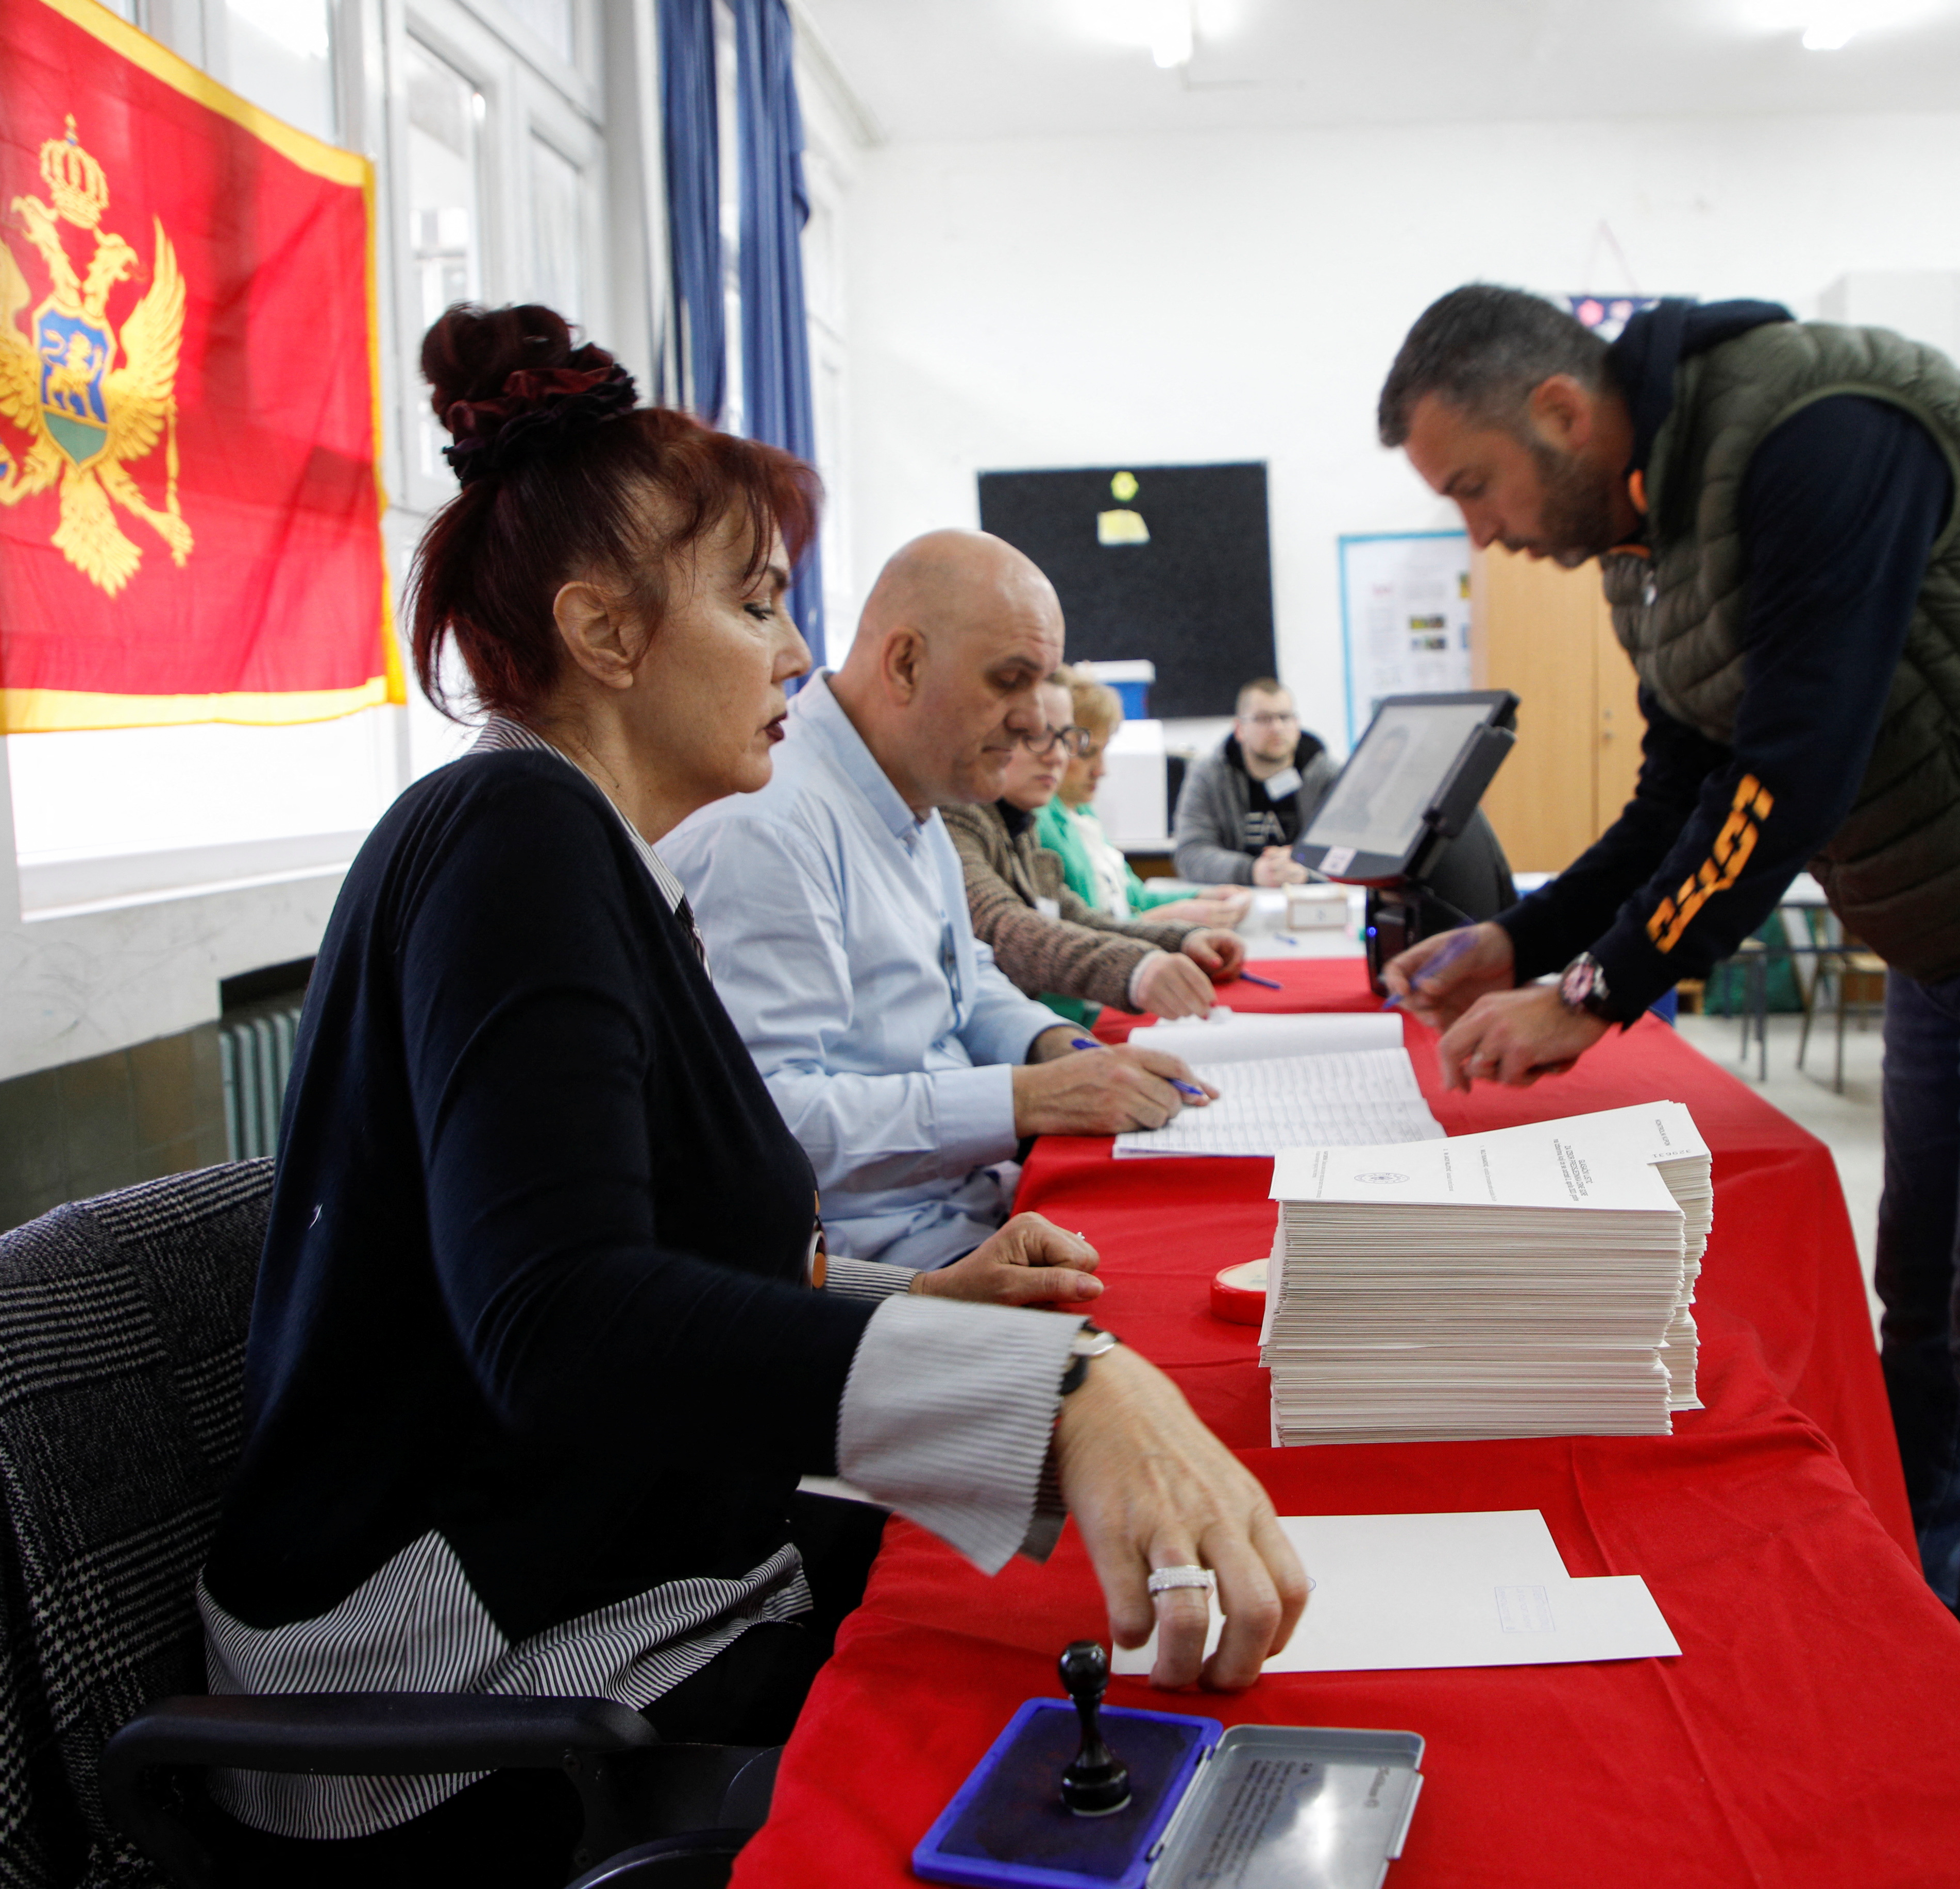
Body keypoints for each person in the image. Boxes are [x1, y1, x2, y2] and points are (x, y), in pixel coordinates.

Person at [199, 308, 1306, 1884]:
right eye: (758, 602)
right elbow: (562, 1319)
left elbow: (657, 1243)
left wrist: (923, 1298)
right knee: (1038, 1690)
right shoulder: (514, 833)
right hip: (452, 1688)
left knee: (1050, 1609)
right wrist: (1055, 1395)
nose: (798, 654)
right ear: (605, 634)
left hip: (606, 1559)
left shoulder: (590, 858)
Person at [1374, 285, 1960, 1733]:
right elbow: (1677, 795)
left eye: (1474, 485)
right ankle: (1927, 1641)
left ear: (1562, 413)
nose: (1481, 529)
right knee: (1925, 1317)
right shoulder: (1643, 535)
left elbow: (1794, 769)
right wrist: (1516, 938)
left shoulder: (1818, 430)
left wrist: (1592, 992)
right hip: (1951, 922)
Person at [665, 532, 1218, 1271]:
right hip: (883, 1262)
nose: (1033, 721)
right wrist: (1025, 1098)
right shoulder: (768, 827)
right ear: (905, 663)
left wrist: (1053, 1046)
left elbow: (966, 976)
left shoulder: (909, 787)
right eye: (1010, 680)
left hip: (970, 1207)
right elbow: (768, 1124)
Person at [946, 673, 1250, 1026]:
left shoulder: (1017, 823)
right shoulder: (959, 816)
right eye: (1037, 736)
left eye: (1065, 739)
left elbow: (1072, 915)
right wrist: (1137, 967)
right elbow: (1003, 927)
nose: (1057, 756)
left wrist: (1183, 938)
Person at [1038, 665, 1251, 926]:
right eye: (1087, 753)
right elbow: (1088, 933)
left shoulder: (1081, 812)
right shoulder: (1043, 822)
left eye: (1103, 752)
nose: (1101, 770)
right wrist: (1178, 914)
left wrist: (1204, 895)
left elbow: (1134, 898)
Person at [1172, 677, 1341, 887]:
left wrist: (1306, 870)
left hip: (1310, 898)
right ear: (1239, 729)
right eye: (1264, 719)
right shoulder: (1208, 776)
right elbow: (1191, 855)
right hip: (1237, 900)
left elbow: (1349, 850)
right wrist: (1252, 871)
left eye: (1285, 717)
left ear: (1297, 726)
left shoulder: (1329, 776)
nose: (1277, 728)